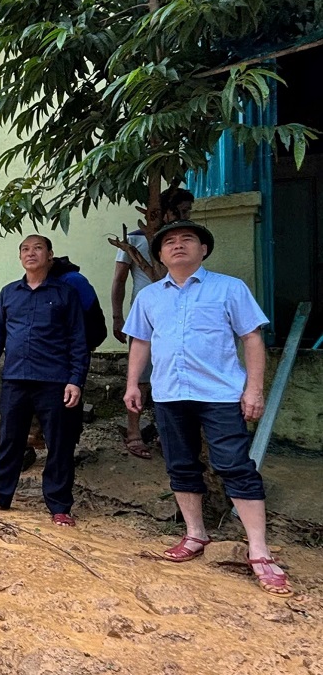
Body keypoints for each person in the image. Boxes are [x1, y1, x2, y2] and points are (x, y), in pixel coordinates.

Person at [123, 220, 292, 597]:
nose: (177, 245)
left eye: (187, 240)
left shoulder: (229, 289)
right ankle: (195, 534)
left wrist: (254, 389)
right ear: (160, 254)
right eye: (169, 242)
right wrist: (133, 384)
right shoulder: (150, 297)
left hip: (220, 394)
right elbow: (140, 344)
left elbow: (251, 337)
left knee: (235, 465)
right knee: (180, 464)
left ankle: (260, 551)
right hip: (169, 395)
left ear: (203, 250)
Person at [0, 235, 89, 526]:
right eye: (25, 249)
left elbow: (78, 340)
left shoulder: (65, 293)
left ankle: (59, 506)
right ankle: (0, 496)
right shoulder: (9, 293)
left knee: (59, 444)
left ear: (50, 255)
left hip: (55, 380)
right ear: (20, 257)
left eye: (38, 248)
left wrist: (76, 379)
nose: (31, 253)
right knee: (10, 441)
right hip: (15, 379)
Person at [110, 187, 195, 458]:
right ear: (165, 212)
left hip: (180, 318)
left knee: (175, 375)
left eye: (188, 212)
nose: (184, 217)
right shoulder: (137, 240)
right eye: (180, 212)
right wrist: (117, 316)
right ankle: (134, 432)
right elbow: (119, 281)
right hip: (145, 318)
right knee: (141, 378)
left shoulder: (185, 242)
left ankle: (167, 433)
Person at [22, 254, 106, 471]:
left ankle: (62, 454)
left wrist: (83, 347)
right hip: (40, 356)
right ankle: (29, 448)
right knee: (31, 404)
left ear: (49, 259)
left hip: (69, 355)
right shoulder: (32, 282)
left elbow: (93, 319)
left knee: (67, 405)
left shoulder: (73, 281)